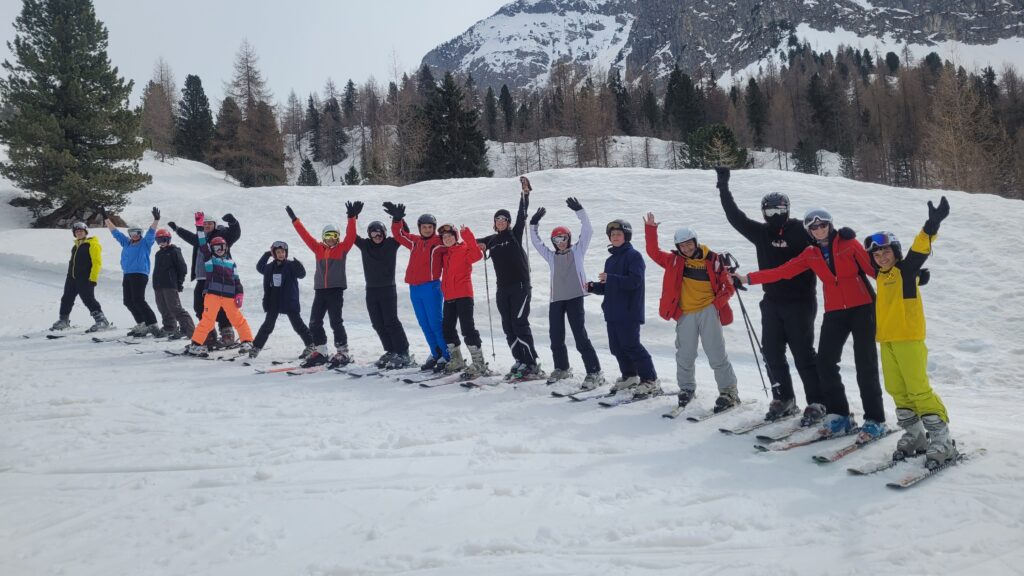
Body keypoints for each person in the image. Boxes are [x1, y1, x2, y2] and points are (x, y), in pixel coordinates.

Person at [735, 209, 886, 443]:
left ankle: (875, 420)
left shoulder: (848, 243)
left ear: (830, 225)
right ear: (809, 231)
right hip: (834, 311)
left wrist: (910, 277)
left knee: (865, 365)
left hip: (862, 308)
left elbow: (875, 270)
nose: (819, 230)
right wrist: (748, 279)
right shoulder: (810, 253)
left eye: (822, 225)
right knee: (825, 363)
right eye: (813, 227)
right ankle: (839, 415)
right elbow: (782, 272)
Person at [716, 166, 822, 423]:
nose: (775, 215)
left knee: (803, 354)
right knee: (772, 353)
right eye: (769, 212)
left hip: (800, 302)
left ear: (787, 210)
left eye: (779, 210)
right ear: (763, 213)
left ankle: (818, 402)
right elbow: (735, 217)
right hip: (772, 302)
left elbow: (826, 240)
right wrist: (723, 186)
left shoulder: (802, 231)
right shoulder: (761, 233)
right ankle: (784, 399)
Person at [864, 197, 955, 468]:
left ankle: (942, 439)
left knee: (918, 389)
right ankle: (915, 436)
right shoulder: (881, 276)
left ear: (896, 252)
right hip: (887, 341)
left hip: (908, 339)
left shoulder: (905, 270)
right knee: (896, 389)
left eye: (886, 252)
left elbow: (920, 249)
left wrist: (931, 224)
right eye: (876, 255)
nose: (882, 257)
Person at [643, 212, 738, 412]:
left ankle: (728, 392)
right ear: (678, 247)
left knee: (716, 352)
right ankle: (686, 389)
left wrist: (716, 305)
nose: (686, 248)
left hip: (708, 311)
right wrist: (651, 229)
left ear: (695, 242)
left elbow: (729, 287)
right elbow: (653, 252)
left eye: (689, 244)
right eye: (682, 246)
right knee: (685, 354)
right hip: (685, 314)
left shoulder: (713, 259)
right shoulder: (673, 261)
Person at [528, 197, 604, 389]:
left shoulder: (577, 251)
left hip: (575, 297)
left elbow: (587, 231)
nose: (560, 242)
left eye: (563, 238)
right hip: (557, 300)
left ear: (569, 238)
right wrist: (533, 224)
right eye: (556, 240)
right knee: (556, 336)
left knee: (579, 335)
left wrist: (580, 211)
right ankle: (562, 367)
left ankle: (594, 371)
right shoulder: (551, 256)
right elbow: (536, 243)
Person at [476, 177, 542, 380]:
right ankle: (519, 360)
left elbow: (522, 216)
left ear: (508, 223)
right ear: (494, 223)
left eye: (504, 219)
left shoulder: (514, 235)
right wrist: (478, 244)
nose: (501, 222)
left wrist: (525, 195)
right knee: (508, 326)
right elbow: (471, 242)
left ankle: (531, 363)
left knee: (520, 323)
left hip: (520, 287)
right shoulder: (492, 240)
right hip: (502, 289)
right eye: (498, 219)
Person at [586, 220, 659, 397]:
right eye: (612, 235)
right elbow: (609, 287)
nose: (615, 237)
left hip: (628, 311)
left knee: (631, 345)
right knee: (617, 347)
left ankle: (650, 379)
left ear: (626, 236)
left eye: (619, 234)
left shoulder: (634, 256)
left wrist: (610, 278)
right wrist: (593, 287)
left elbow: (635, 282)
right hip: (612, 312)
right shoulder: (610, 260)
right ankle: (630, 376)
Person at [286, 202, 359, 368]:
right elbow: (305, 236)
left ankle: (343, 351)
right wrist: (295, 220)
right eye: (328, 235)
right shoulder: (317, 248)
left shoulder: (342, 248)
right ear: (323, 237)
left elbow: (351, 236)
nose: (331, 239)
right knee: (314, 322)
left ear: (338, 237)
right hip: (320, 290)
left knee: (335, 321)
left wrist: (351, 218)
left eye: (334, 236)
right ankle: (321, 351)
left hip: (335, 290)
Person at [384, 202, 449, 371]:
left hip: (431, 288)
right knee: (424, 324)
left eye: (430, 227)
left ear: (434, 228)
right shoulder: (415, 241)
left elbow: (454, 242)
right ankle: (435, 353)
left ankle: (447, 355)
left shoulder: (439, 242)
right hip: (415, 289)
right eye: (424, 227)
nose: (427, 229)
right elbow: (399, 235)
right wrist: (397, 220)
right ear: (419, 228)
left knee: (435, 324)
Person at [186, 211, 253, 356]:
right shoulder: (210, 261)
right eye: (216, 248)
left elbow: (237, 280)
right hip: (213, 295)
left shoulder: (231, 263)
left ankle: (247, 341)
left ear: (226, 248)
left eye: (222, 247)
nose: (220, 250)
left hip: (229, 296)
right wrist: (199, 227)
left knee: (237, 318)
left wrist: (239, 293)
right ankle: (196, 344)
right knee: (207, 320)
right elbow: (202, 243)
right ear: (212, 249)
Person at [168, 212, 241, 346]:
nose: (207, 226)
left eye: (209, 223)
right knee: (199, 307)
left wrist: (233, 222)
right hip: (202, 278)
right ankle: (209, 335)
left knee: (221, 307)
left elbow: (234, 234)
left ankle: (227, 334)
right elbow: (190, 237)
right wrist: (177, 229)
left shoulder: (221, 235)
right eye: (204, 223)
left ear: (215, 224)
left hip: (217, 279)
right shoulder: (200, 237)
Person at [354, 219, 414, 369]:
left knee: (391, 322)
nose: (377, 236)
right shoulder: (365, 245)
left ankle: (403, 352)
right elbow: (351, 236)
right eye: (373, 233)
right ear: (369, 234)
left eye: (380, 232)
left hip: (388, 289)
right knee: (377, 323)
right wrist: (352, 218)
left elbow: (405, 233)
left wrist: (398, 219)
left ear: (385, 233)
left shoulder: (391, 243)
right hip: (371, 290)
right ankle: (391, 350)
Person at [437, 224, 488, 376]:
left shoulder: (464, 248)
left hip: (464, 296)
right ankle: (457, 360)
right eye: (444, 237)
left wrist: (467, 234)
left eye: (450, 236)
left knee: (467, 328)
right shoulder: (445, 254)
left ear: (456, 236)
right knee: (447, 328)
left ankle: (479, 363)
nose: (447, 239)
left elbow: (477, 255)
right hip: (449, 297)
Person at [250, 241, 314, 359]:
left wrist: (299, 265)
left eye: (283, 252)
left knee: (297, 324)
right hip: (274, 301)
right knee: (267, 326)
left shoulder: (290, 265)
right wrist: (266, 254)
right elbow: (260, 267)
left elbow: (301, 275)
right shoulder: (270, 267)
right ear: (274, 254)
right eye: (278, 252)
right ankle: (256, 347)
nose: (281, 254)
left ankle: (311, 344)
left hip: (289, 300)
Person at [106, 207, 161, 337]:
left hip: (140, 274)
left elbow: (151, 232)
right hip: (127, 274)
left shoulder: (145, 243)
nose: (134, 235)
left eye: (137, 233)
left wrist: (156, 220)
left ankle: (152, 324)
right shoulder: (126, 243)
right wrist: (106, 219)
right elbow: (115, 232)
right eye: (132, 233)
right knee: (128, 301)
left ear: (140, 233)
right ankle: (142, 323)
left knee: (138, 300)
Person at [50, 221, 110, 333]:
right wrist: (70, 275)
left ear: (86, 232)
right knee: (66, 298)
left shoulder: (92, 244)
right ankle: (64, 320)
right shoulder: (75, 246)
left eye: (81, 231)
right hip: (72, 278)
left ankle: (102, 321)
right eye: (77, 231)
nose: (79, 233)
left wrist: (93, 279)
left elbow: (97, 263)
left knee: (88, 299)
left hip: (85, 278)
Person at [152, 228, 194, 339]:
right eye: (159, 240)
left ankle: (189, 330)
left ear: (168, 239)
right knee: (163, 308)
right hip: (158, 285)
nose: (162, 242)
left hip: (170, 284)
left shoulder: (174, 251)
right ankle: (169, 327)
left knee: (175, 308)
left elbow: (182, 268)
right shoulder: (158, 254)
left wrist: (179, 282)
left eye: (164, 239)